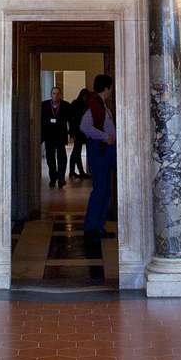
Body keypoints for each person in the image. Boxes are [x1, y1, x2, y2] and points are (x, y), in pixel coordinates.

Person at [81, 73, 116, 249]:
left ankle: (98, 226)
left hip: (106, 151)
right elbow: (85, 127)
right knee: (100, 189)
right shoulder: (94, 106)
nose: (112, 90)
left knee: (105, 190)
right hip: (100, 151)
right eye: (111, 87)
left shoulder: (103, 106)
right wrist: (104, 137)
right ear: (106, 87)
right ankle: (91, 226)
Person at [39, 84, 71, 190]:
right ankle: (53, 177)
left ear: (60, 95)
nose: (55, 96)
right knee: (50, 158)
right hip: (49, 136)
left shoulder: (66, 105)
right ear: (50, 94)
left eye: (57, 94)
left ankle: (61, 178)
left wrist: (71, 133)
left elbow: (71, 120)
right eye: (54, 93)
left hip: (60, 136)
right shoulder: (44, 105)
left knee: (62, 157)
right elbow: (40, 121)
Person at [67, 89, 90, 181]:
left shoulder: (83, 104)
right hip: (77, 131)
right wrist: (72, 133)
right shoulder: (76, 104)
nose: (85, 98)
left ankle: (73, 171)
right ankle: (80, 172)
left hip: (81, 131)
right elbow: (71, 120)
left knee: (76, 151)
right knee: (77, 151)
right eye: (84, 96)